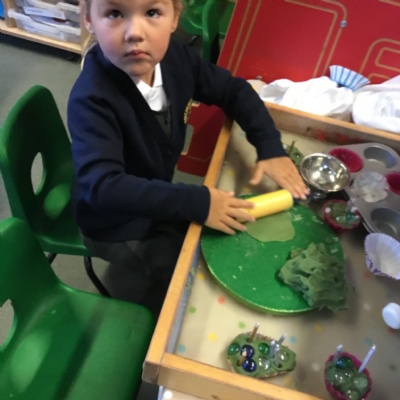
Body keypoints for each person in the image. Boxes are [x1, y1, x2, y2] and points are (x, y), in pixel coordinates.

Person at [67, 0, 309, 314]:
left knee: (214, 240)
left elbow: (234, 90)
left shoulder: (175, 58)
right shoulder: (91, 99)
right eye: (114, 13)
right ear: (88, 19)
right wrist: (199, 202)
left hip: (153, 193)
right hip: (115, 223)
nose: (134, 32)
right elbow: (103, 188)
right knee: (191, 276)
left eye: (152, 13)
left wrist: (269, 147)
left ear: (174, 17)